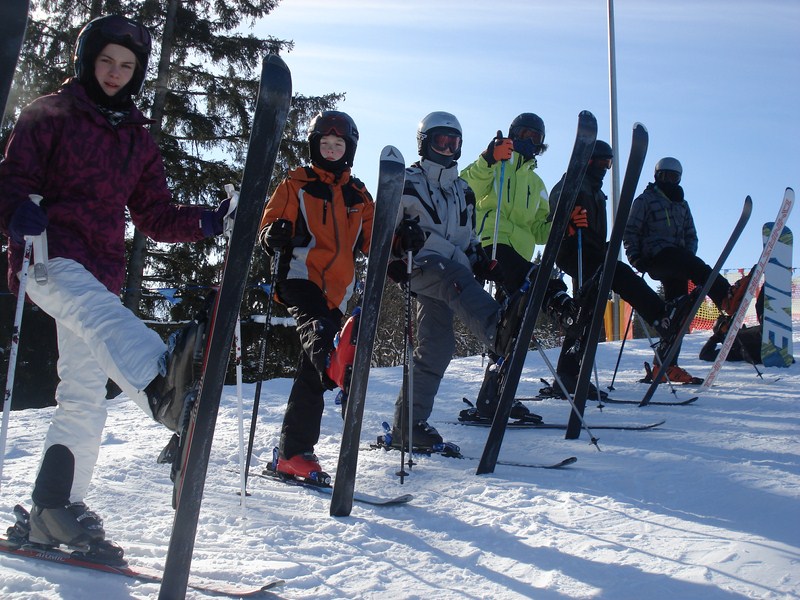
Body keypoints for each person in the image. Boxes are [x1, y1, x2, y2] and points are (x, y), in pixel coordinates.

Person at [0, 15, 232, 555]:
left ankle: (54, 507)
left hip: (99, 270)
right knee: (103, 318)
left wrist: (205, 221)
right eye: (106, 61)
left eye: (126, 66)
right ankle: (163, 387)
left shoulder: (136, 138)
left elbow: (154, 213)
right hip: (48, 256)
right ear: (87, 60)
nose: (114, 73)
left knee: (83, 393)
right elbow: (11, 179)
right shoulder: (49, 114)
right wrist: (13, 211)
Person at [258, 110, 374, 479]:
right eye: (325, 143)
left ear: (349, 149)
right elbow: (269, 222)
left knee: (311, 372)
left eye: (338, 144)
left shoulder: (358, 195)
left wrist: (403, 241)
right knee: (319, 331)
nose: (331, 149)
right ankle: (337, 360)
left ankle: (293, 453)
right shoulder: (297, 182)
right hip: (299, 276)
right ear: (314, 146)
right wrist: (273, 234)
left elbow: (375, 240)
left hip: (337, 292)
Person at [385, 111, 505, 448]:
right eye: (441, 141)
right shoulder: (407, 181)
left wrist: (480, 259)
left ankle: (408, 426)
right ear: (425, 143)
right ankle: (499, 330)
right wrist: (396, 248)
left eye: (454, 143)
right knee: (452, 274)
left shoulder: (463, 190)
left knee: (437, 346)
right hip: (418, 264)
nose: (448, 148)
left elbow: (469, 236)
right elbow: (382, 227)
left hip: (451, 274)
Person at [460, 112, 577, 418]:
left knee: (512, 325)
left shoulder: (537, 183)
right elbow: (465, 187)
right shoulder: (495, 164)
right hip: (491, 245)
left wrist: (562, 225)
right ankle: (556, 300)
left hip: (520, 256)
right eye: (524, 134)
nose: (529, 141)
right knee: (533, 284)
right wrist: (489, 158)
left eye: (535, 137)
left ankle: (494, 394)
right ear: (512, 134)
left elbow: (539, 231)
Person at [550, 141, 687, 393]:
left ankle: (568, 375)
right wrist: (567, 217)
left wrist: (605, 246)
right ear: (589, 160)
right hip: (573, 250)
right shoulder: (573, 181)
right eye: (602, 162)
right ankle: (662, 316)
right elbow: (556, 205)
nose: (605, 168)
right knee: (616, 277)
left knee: (587, 311)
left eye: (609, 163)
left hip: (592, 251)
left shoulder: (596, 191)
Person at [624, 157, 749, 381]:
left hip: (679, 261)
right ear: (657, 177)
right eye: (666, 176)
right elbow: (631, 231)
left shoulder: (682, 204)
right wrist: (635, 257)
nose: (670, 181)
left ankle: (664, 366)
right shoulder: (645, 200)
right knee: (698, 268)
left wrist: (688, 255)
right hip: (656, 257)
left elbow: (691, 234)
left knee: (678, 315)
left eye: (674, 177)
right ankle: (725, 296)